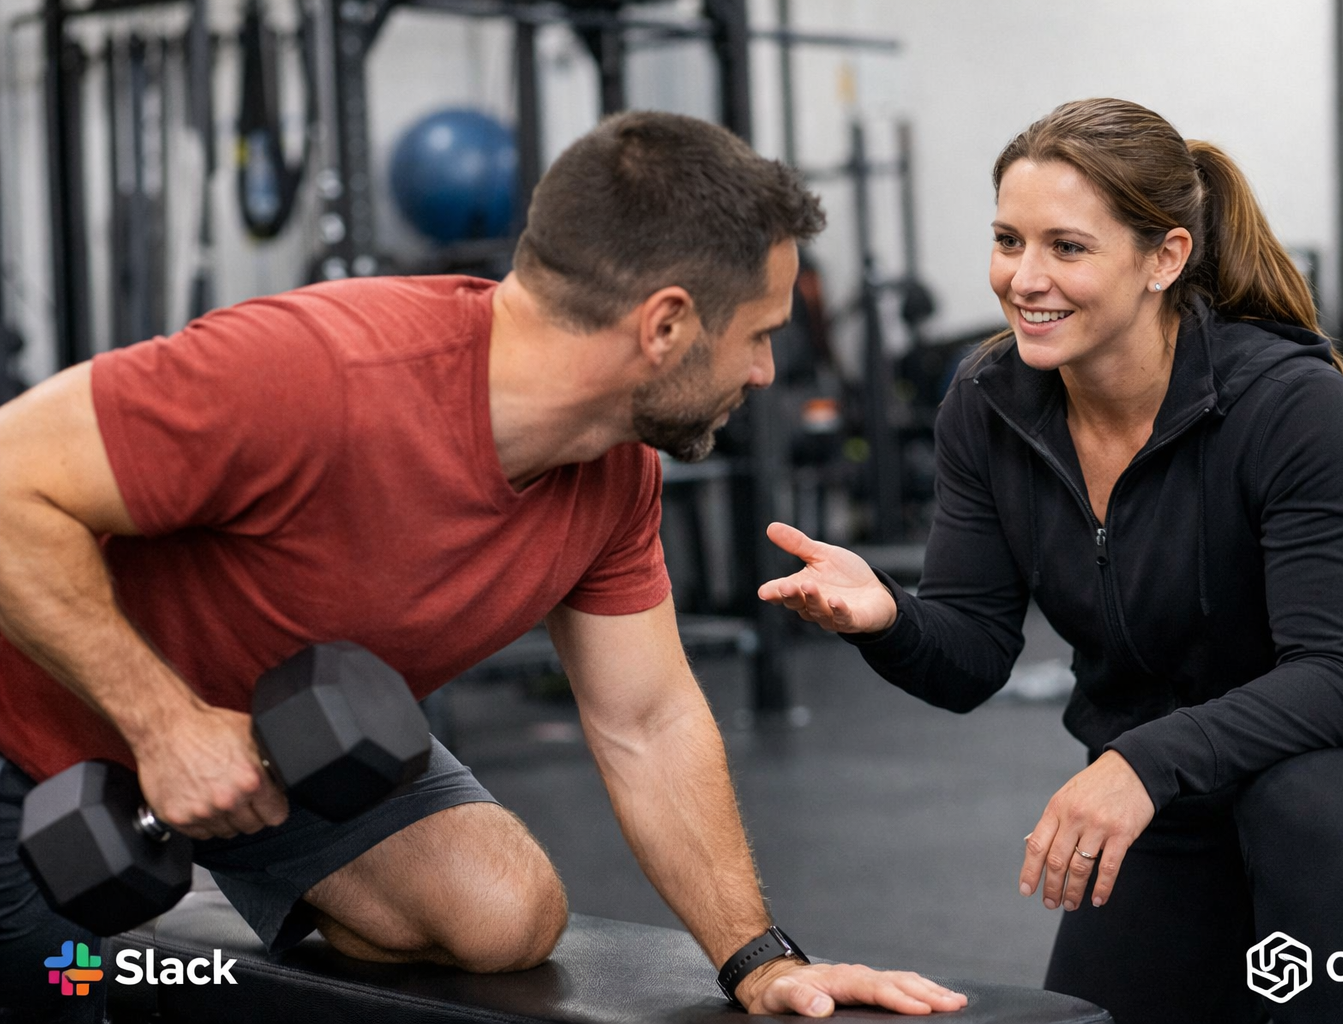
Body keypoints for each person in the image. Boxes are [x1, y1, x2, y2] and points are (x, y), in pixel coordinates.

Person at [0, 111, 968, 1023]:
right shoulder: (316, 373)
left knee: (500, 914)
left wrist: (760, 959)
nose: (764, 373)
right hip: (32, 735)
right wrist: (162, 725)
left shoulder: (613, 477)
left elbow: (647, 718)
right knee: (75, 989)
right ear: (665, 326)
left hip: (268, 754)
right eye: (758, 335)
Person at [758, 97, 1343, 1024]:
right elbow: (974, 655)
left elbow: (1342, 680)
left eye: (1067, 247)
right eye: (1007, 240)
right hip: (1174, 801)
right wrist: (890, 616)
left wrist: (1140, 763)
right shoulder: (987, 409)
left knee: (1295, 805)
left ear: (1165, 258)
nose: (1025, 278)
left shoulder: (1290, 404)